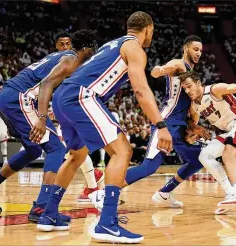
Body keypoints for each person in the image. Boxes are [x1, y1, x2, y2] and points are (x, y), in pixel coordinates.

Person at [30, 11, 173, 243]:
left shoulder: (113, 43)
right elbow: (141, 90)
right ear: (148, 28)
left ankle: (49, 214)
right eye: (152, 32)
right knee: (123, 151)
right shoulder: (135, 48)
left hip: (63, 95)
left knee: (77, 155)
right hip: (82, 96)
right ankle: (107, 223)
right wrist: (160, 125)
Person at [0, 30, 97, 224]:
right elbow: (46, 84)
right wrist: (42, 116)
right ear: (87, 49)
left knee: (33, 149)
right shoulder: (70, 59)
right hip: (19, 98)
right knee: (56, 148)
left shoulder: (62, 57)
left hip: (9, 98)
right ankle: (41, 207)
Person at [121, 36, 210, 209]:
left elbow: (188, 108)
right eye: (195, 49)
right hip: (166, 123)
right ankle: (105, 191)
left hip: (180, 126)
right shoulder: (178, 64)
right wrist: (160, 70)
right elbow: (157, 71)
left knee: (199, 159)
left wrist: (194, 127)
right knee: (149, 166)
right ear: (185, 48)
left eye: (200, 50)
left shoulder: (193, 75)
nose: (198, 53)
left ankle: (164, 193)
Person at [179, 70, 236, 213]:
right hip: (231, 129)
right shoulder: (194, 106)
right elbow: (192, 123)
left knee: (228, 154)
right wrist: (193, 130)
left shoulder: (214, 90)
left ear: (198, 83)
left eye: (189, 86)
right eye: (184, 88)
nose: (187, 90)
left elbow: (233, 87)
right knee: (205, 155)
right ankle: (231, 193)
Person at [54, 31, 105, 203]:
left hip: (74, 106)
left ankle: (92, 185)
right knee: (72, 150)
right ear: (56, 46)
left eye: (69, 44)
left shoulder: (78, 62)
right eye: (62, 44)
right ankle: (93, 177)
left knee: (73, 149)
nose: (66, 47)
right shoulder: (58, 61)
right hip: (61, 106)